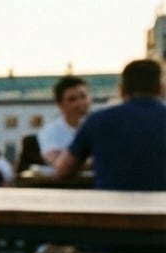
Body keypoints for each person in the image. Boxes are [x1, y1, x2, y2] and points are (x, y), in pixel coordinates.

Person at [55, 59, 166, 191]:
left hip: (111, 208)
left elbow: (62, 170)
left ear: (121, 90)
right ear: (162, 89)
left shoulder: (97, 120)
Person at [38, 75, 92, 175]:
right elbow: (57, 163)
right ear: (60, 104)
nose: (80, 103)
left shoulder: (99, 126)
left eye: (83, 96)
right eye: (72, 99)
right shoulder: (50, 131)